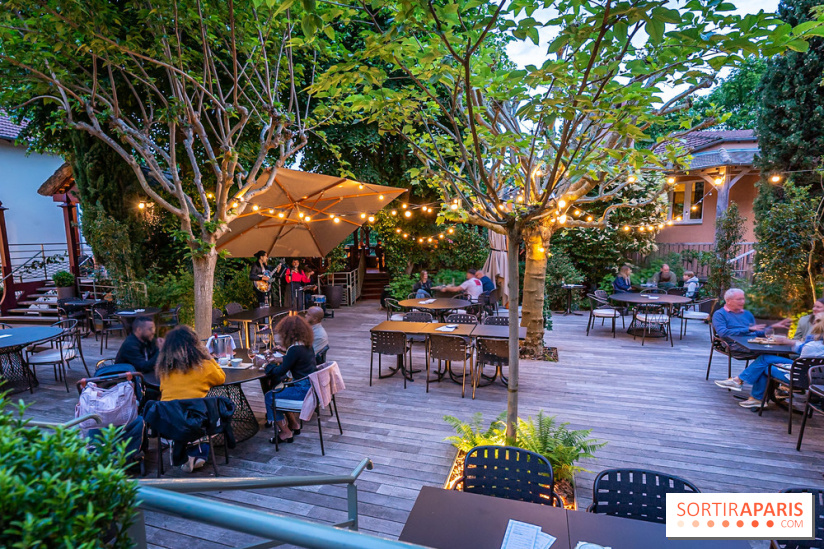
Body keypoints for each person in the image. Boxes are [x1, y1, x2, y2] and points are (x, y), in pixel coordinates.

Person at [715, 312, 824, 408]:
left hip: (801, 377)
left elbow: (802, 355)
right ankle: (752, 395)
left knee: (765, 364)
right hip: (818, 377)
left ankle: (750, 391)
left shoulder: (811, 346)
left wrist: (788, 343)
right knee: (765, 360)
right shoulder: (815, 344)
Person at [155, 325, 226, 472]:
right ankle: (197, 454)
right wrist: (208, 357)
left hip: (169, 422)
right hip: (196, 421)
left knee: (186, 415)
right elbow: (221, 378)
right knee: (210, 412)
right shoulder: (204, 366)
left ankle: (186, 452)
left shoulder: (165, 369)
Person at [264, 315, 317, 443]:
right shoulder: (306, 345)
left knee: (270, 396)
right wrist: (281, 357)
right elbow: (295, 360)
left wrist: (267, 365)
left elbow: (278, 372)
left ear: (287, 333)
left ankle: (285, 432)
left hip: (302, 391)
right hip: (311, 387)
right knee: (281, 391)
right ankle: (294, 425)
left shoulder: (295, 350)